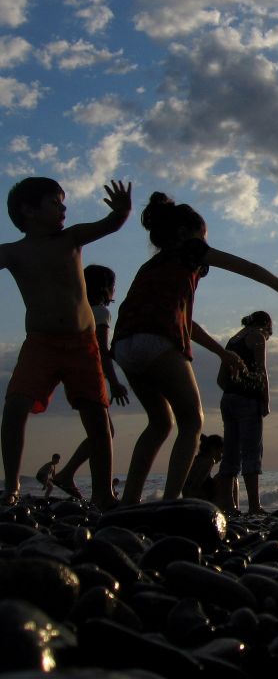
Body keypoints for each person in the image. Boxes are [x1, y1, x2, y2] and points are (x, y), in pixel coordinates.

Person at [112, 192, 278, 505]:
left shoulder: (152, 267)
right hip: (157, 341)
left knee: (159, 423)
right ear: (186, 233)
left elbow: (186, 324)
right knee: (191, 422)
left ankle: (129, 502)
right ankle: (172, 502)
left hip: (123, 345)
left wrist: (221, 352)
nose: (206, 245)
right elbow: (248, 268)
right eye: (204, 237)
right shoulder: (190, 249)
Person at [0, 177, 131, 509]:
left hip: (81, 344)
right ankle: (12, 486)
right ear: (28, 210)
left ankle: (103, 492)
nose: (63, 208)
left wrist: (122, 212)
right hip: (40, 344)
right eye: (54, 202)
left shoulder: (71, 238)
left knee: (97, 418)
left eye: (63, 202)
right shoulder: (14, 252)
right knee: (15, 408)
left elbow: (110, 224)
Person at [50, 264, 130, 500]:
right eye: (113, 286)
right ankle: (102, 494)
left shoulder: (75, 310)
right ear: (106, 289)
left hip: (72, 377)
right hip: (90, 377)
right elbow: (101, 350)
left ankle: (67, 475)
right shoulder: (100, 312)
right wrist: (114, 382)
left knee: (102, 432)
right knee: (103, 434)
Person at [215, 311, 272, 514]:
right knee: (251, 452)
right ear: (266, 325)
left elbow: (220, 379)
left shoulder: (233, 340)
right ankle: (255, 506)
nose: (267, 338)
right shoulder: (256, 336)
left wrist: (232, 390)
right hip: (248, 400)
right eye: (269, 334)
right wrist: (265, 400)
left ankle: (226, 504)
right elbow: (261, 371)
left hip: (228, 399)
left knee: (230, 452)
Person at [182, 433, 223, 502]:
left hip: (190, 496)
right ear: (213, 449)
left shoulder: (197, 459)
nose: (221, 456)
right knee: (224, 478)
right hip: (197, 499)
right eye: (221, 452)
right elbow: (196, 485)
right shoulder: (209, 461)